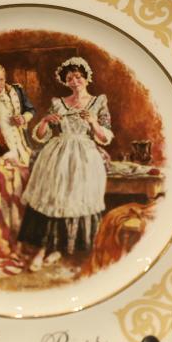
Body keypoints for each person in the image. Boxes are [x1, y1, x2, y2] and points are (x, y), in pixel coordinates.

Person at [18, 56, 112, 271]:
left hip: (85, 154)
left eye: (78, 77)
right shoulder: (58, 103)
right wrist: (45, 121)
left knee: (74, 197)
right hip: (57, 153)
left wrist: (93, 122)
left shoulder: (98, 102)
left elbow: (104, 137)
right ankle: (42, 250)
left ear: (86, 78)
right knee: (53, 195)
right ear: (65, 81)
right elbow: (40, 136)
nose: (74, 81)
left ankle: (61, 248)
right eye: (70, 78)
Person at [0, 64, 35, 165]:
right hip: (0, 146)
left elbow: (31, 109)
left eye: (1, 79)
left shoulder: (16, 91)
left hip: (20, 142)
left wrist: (23, 118)